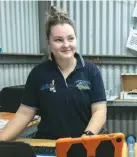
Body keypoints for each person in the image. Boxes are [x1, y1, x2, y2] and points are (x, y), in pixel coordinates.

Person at [0, 6, 107, 140]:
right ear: (49, 43)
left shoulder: (91, 70)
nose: (66, 44)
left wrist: (87, 137)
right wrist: (1, 139)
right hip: (49, 144)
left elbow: (99, 110)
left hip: (84, 143)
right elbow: (25, 113)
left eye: (70, 38)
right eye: (58, 40)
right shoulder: (38, 73)